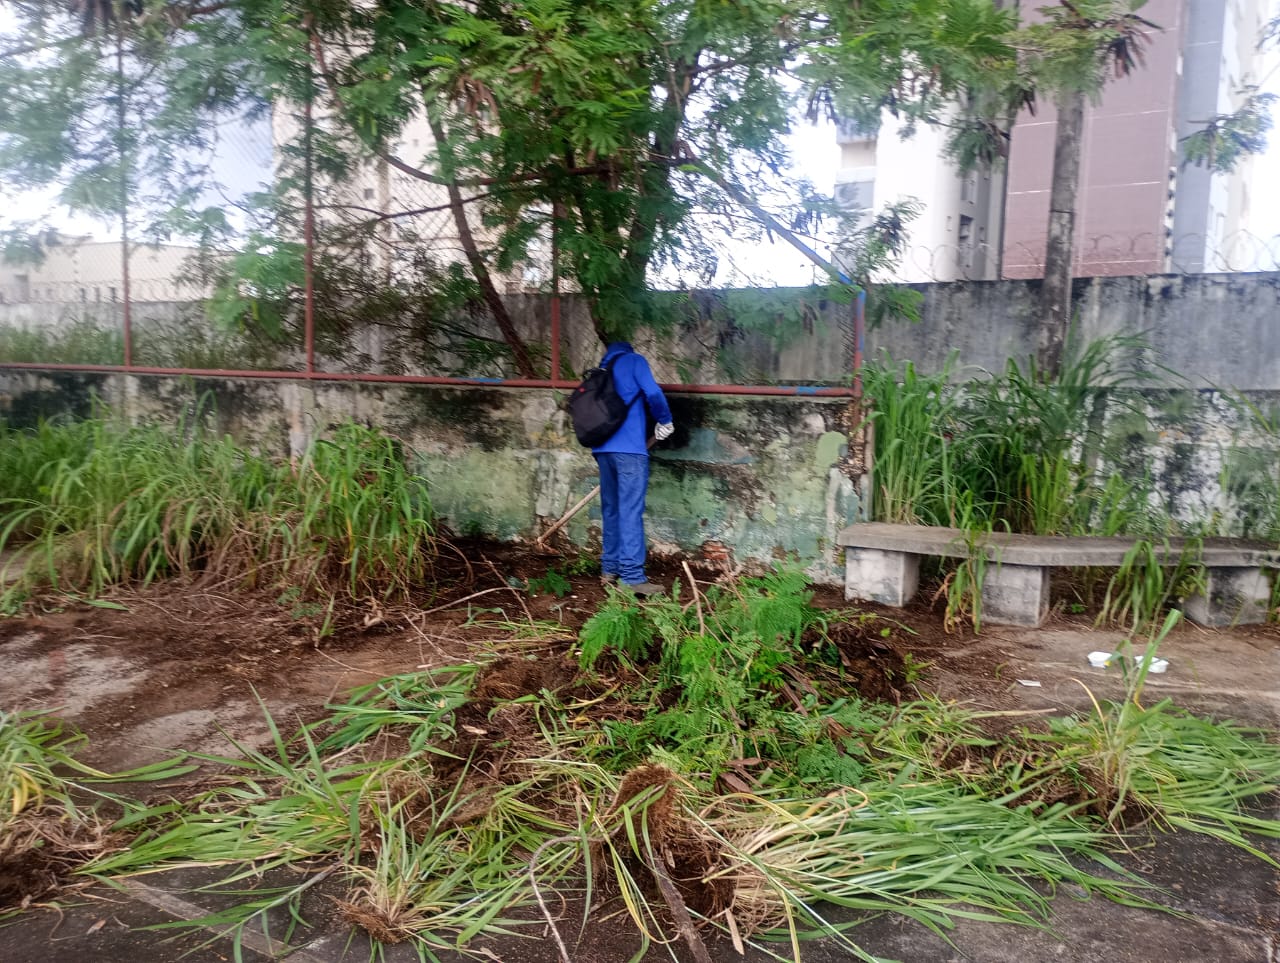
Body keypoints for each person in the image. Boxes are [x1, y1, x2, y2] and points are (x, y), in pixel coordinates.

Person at [592, 341, 674, 596]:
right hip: (629, 450)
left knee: (612, 509)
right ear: (627, 349)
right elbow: (653, 393)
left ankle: (609, 569)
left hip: (602, 449)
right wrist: (665, 420)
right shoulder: (634, 361)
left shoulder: (601, 370)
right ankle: (632, 577)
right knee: (630, 510)